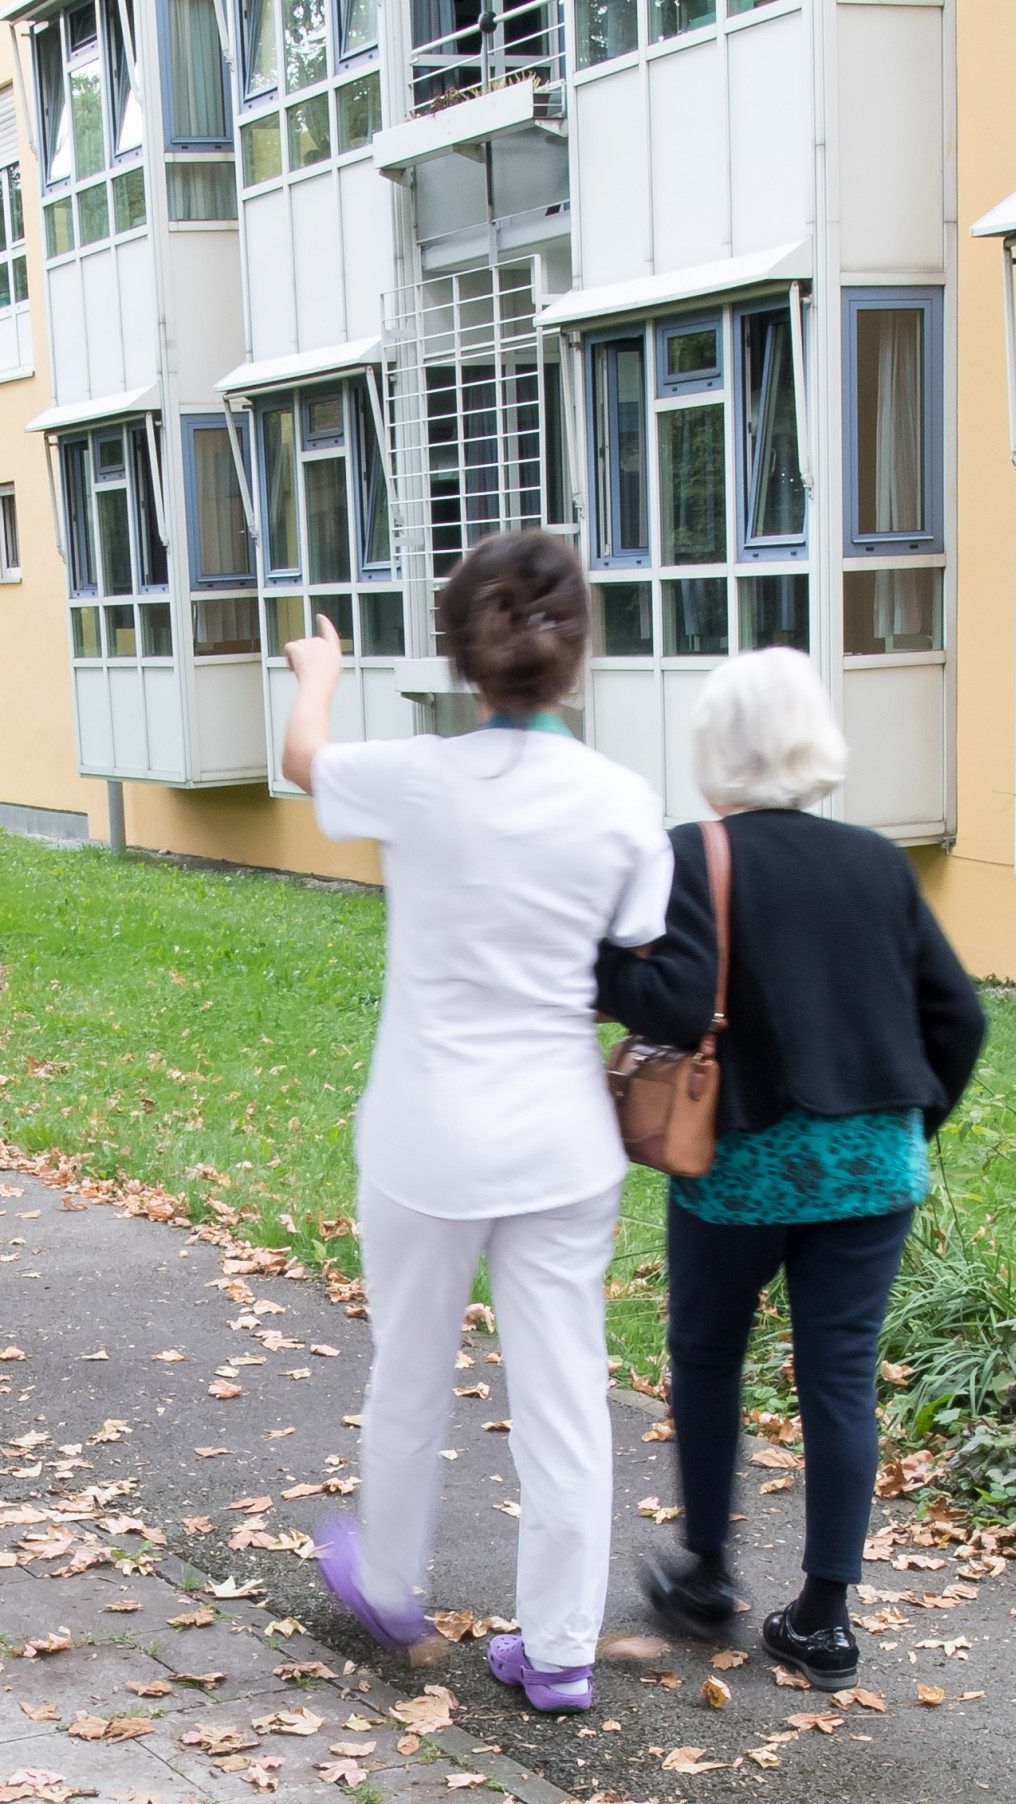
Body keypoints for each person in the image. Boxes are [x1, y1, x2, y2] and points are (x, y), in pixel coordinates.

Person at [286, 532, 673, 1712]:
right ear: (574, 656)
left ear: (460, 657)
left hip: (424, 1135)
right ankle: (556, 1653)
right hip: (561, 1139)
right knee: (565, 1394)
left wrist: (319, 672)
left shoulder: (418, 776)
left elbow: (303, 761)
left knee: (409, 1366)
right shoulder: (622, 801)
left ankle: (392, 1583)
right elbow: (637, 946)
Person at [596, 648, 985, 1687]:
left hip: (741, 1165)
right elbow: (960, 1015)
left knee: (710, 1352)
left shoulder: (695, 854)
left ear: (714, 748)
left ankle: (710, 1571)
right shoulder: (876, 861)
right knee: (839, 1377)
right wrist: (909, 1122)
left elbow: (673, 1005)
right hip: (872, 1163)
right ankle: (822, 1618)